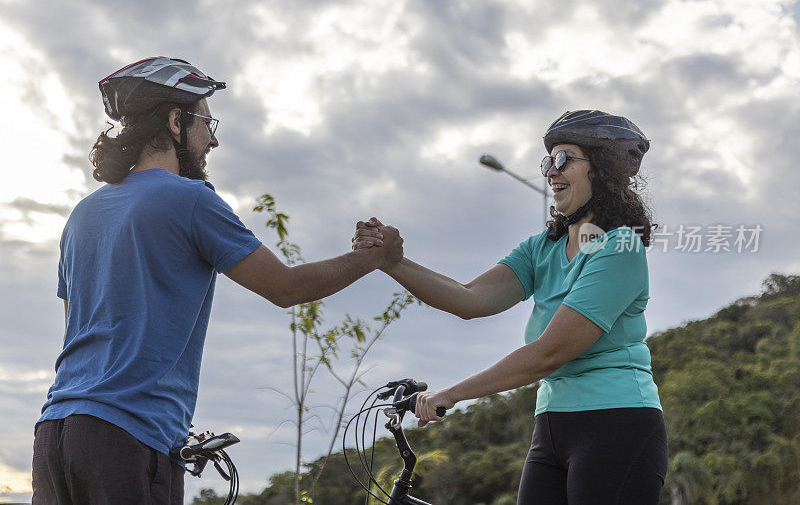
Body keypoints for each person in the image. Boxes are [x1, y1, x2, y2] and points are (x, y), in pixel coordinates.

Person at [32, 57, 403, 504]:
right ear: (175, 121)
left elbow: (83, 327)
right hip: (126, 438)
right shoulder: (190, 200)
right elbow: (286, 287)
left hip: (55, 431)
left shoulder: (82, 214)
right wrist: (374, 257)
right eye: (207, 122)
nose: (214, 138)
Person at [353, 110, 668, 504]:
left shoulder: (619, 246)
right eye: (548, 161)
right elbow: (470, 298)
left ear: (601, 170)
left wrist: (452, 393)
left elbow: (550, 352)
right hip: (552, 424)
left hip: (617, 423)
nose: (551, 171)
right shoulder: (543, 247)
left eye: (564, 158)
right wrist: (391, 261)